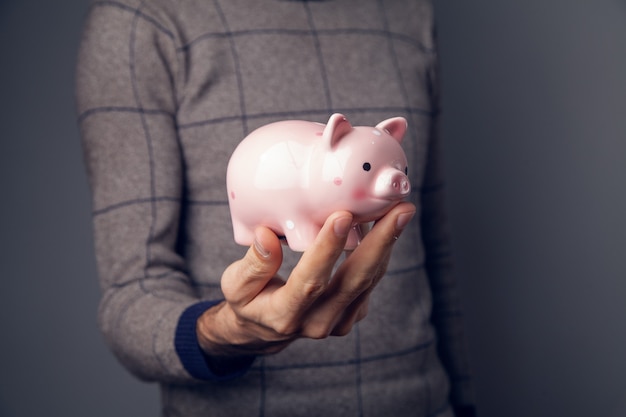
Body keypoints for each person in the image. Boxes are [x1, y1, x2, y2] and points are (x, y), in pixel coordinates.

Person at [76, 0, 476, 415]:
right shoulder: (143, 19)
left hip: (421, 402)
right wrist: (225, 332)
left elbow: (437, 254)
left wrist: (464, 403)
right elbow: (131, 294)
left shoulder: (408, 12)